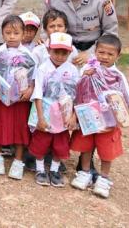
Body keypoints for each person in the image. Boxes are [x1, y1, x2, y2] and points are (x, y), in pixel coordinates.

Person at [70, 34, 128, 199]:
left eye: (110, 54)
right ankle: (85, 172)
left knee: (106, 150)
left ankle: (103, 178)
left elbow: (125, 98)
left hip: (108, 121)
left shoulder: (118, 76)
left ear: (118, 56)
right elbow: (78, 90)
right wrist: (84, 76)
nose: (105, 57)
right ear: (95, 52)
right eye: (101, 52)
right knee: (86, 146)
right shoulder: (88, 69)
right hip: (88, 116)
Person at [0, 15, 35, 180]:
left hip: (20, 101)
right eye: (8, 32)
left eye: (16, 33)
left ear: (23, 34)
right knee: (0, 125)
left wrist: (30, 89)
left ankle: (18, 160)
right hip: (0, 99)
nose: (12, 36)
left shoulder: (29, 55)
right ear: (2, 34)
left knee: (20, 128)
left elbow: (34, 78)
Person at [28, 32, 79, 188]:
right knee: (41, 141)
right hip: (45, 109)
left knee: (60, 142)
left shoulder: (73, 70)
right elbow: (38, 93)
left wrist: (73, 116)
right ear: (49, 50)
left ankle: (55, 170)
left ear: (69, 52)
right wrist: (40, 118)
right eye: (56, 51)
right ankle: (40, 169)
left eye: (64, 53)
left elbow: (76, 94)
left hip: (64, 112)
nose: (59, 56)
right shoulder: (43, 68)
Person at [43, 0, 118, 62]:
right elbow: (45, 23)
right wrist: (47, 42)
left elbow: (111, 31)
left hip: (94, 48)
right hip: (62, 47)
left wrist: (91, 53)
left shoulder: (101, 1)